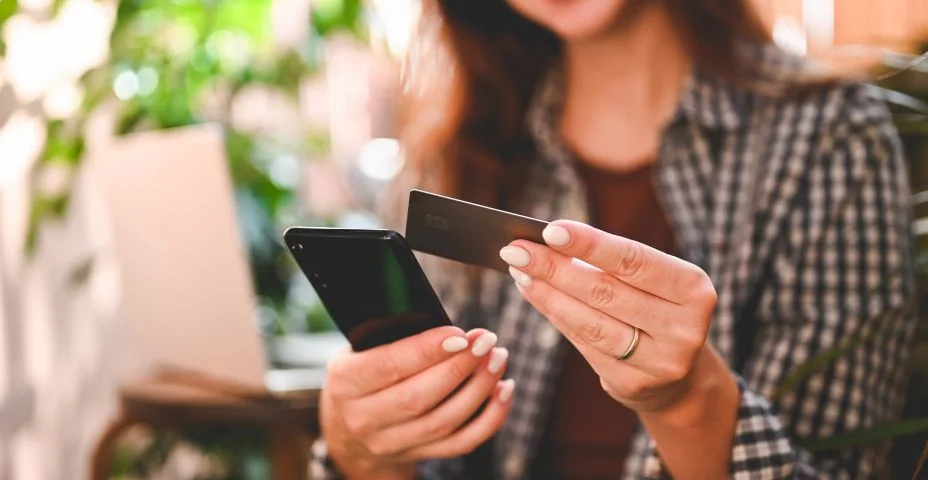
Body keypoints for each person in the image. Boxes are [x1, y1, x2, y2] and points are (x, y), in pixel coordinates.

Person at [312, 0, 918, 479]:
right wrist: (365, 455)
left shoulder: (832, 139)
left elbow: (839, 466)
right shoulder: (454, 156)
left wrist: (688, 401)